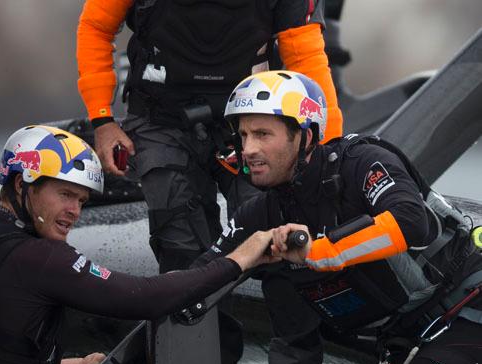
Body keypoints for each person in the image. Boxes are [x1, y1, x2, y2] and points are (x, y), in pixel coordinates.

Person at [194, 69, 482, 364]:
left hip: (468, 315)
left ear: (306, 136)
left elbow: (411, 221)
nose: (248, 149)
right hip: (410, 336)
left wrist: (320, 252)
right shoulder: (264, 212)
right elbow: (198, 278)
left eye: (262, 134)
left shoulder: (361, 162)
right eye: (243, 136)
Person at [0, 125, 278, 364]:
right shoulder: (36, 257)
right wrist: (238, 261)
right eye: (65, 195)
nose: (75, 212)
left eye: (82, 201)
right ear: (22, 185)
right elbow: (145, 297)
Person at [77, 0, 343, 273]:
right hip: (160, 119)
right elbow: (96, 28)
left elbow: (305, 54)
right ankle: (195, 313)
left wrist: (330, 149)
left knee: (273, 236)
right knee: (180, 248)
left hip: (251, 117)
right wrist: (102, 121)